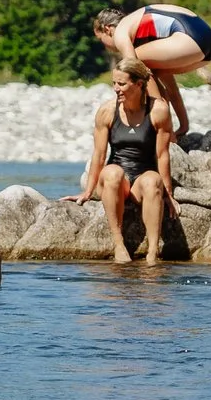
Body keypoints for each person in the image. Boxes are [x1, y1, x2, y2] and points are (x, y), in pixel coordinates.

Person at [65, 57, 177, 265]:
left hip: (142, 180)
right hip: (116, 182)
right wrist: (88, 191)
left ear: (139, 84)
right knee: (113, 172)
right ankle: (119, 244)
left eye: (122, 84)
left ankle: (153, 251)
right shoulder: (107, 111)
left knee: (153, 180)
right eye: (114, 83)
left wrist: (168, 194)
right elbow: (98, 155)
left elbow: (162, 155)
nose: (116, 89)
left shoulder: (158, 110)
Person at [92, 3, 211, 137]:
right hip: (209, 45)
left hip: (190, 38)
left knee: (136, 65)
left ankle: (159, 121)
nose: (105, 46)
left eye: (101, 40)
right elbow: (172, 89)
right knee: (156, 71)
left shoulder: (120, 33)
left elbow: (135, 69)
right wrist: (183, 125)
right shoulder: (143, 33)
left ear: (107, 29)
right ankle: (177, 126)